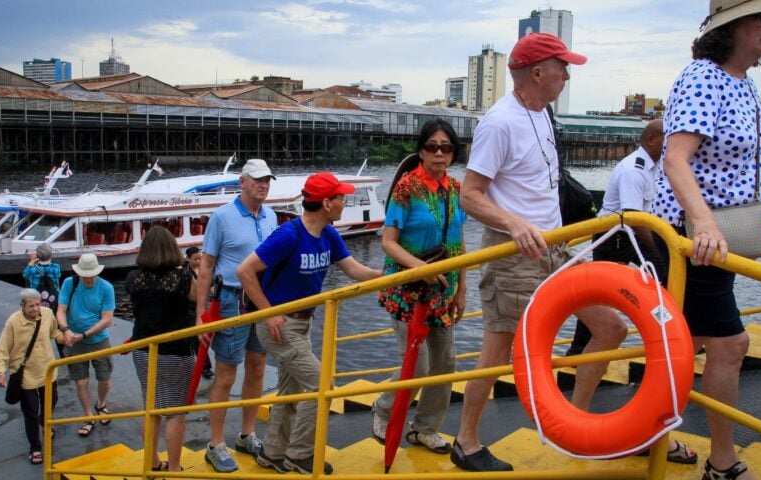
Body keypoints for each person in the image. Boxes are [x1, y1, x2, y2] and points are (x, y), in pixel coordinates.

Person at [452, 33, 628, 472]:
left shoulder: (543, 114)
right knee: (498, 348)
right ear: (536, 72)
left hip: (555, 246)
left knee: (611, 328)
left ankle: (576, 421)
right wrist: (514, 223)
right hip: (514, 250)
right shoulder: (500, 122)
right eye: (562, 66)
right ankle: (466, 441)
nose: (567, 74)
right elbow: (470, 196)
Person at [651, 2, 761, 479]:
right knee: (731, 344)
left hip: (726, 238)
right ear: (730, 28)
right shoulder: (703, 77)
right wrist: (705, 224)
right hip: (694, 242)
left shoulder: (745, 85)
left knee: (683, 344)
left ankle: (653, 438)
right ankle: (722, 462)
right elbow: (675, 159)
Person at [238, 172, 382, 475]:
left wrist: (391, 277)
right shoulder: (289, 235)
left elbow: (354, 270)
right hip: (278, 325)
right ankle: (300, 455)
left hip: (302, 323)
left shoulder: (328, 234)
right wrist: (267, 312)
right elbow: (245, 271)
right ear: (327, 203)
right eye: (341, 198)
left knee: (292, 392)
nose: (345, 202)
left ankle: (273, 453)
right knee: (319, 385)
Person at [371, 119, 467, 454]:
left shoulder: (455, 188)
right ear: (421, 151)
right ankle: (383, 410)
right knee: (418, 364)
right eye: (432, 147)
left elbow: (459, 240)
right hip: (410, 291)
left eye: (446, 147)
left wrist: (462, 289)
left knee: (446, 363)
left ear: (454, 152)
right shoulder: (406, 189)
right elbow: (388, 242)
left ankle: (425, 428)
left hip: (444, 290)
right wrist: (419, 269)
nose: (439, 153)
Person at [197, 159, 278, 473]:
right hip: (230, 298)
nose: (263, 185)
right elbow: (205, 267)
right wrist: (201, 315)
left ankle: (247, 434)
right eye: (257, 180)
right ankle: (215, 444)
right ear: (242, 182)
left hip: (260, 298)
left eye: (267, 180)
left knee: (257, 368)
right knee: (227, 372)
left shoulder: (270, 215)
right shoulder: (222, 216)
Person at [567, 119, 666, 355]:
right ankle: (578, 349)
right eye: (668, 137)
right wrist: (662, 247)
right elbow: (632, 215)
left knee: (666, 280)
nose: (673, 142)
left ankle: (670, 339)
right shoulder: (634, 170)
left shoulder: (655, 167)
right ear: (652, 139)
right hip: (617, 235)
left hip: (630, 233)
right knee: (603, 292)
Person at [125, 227, 198, 473]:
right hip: (175, 350)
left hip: (143, 348)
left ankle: (153, 462)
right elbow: (200, 298)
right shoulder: (183, 277)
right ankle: (174, 468)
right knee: (175, 412)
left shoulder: (134, 277)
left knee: (151, 407)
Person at [0, 289, 64, 465]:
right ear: (22, 307)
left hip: (47, 369)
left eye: (38, 304)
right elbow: (2, 348)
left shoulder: (47, 314)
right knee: (30, 412)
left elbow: (54, 332)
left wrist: (65, 338)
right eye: (31, 306)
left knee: (51, 401)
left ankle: (45, 420)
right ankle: (35, 447)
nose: (35, 309)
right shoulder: (13, 322)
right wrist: (0, 372)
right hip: (26, 375)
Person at [56, 253, 116, 438]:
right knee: (81, 381)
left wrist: (83, 335)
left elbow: (107, 319)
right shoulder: (69, 283)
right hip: (75, 339)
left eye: (91, 275)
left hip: (97, 340)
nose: (88, 278)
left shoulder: (106, 287)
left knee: (104, 378)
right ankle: (88, 416)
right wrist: (66, 330)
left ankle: (101, 403)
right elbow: (61, 310)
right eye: (84, 275)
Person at [22, 243, 64, 357]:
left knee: (37, 327)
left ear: (38, 255)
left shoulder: (31, 269)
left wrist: (32, 261)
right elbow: (58, 276)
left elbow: (25, 275)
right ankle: (62, 353)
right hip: (54, 302)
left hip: (37, 302)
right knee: (57, 326)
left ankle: (37, 353)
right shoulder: (56, 267)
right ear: (51, 255)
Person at [185, 246, 214, 380]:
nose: (198, 261)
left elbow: (212, 285)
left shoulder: (205, 270)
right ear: (188, 259)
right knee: (197, 338)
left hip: (203, 306)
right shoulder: (185, 273)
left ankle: (204, 365)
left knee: (201, 337)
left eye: (199, 258)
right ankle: (205, 366)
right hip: (189, 308)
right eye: (195, 259)